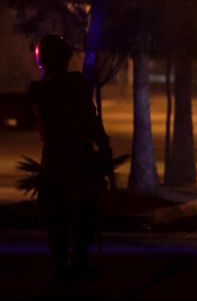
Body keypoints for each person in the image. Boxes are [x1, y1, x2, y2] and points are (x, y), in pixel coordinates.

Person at [27, 34, 113, 281]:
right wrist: (103, 145)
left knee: (64, 216)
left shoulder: (43, 90)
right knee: (73, 214)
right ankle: (74, 264)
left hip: (57, 159)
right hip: (73, 158)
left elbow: (88, 118)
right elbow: (89, 119)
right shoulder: (67, 88)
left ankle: (69, 266)